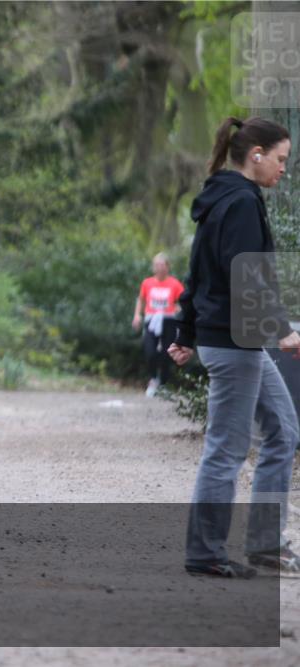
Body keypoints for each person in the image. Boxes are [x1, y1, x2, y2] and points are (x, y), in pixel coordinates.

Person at [169, 116, 300, 577]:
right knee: (226, 449)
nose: (284, 169)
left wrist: (185, 332)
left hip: (235, 341)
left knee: (283, 431)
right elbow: (247, 275)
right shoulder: (241, 201)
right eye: (281, 159)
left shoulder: (222, 197)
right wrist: (282, 328)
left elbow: (197, 272)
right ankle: (204, 554)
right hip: (234, 342)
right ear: (257, 154)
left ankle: (265, 544)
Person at [133, 253, 183, 396]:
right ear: (153, 267)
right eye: (157, 265)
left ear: (168, 267)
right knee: (150, 351)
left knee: (167, 353)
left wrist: (179, 308)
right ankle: (153, 379)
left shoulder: (174, 284)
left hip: (169, 320)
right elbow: (141, 299)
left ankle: (164, 383)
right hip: (151, 320)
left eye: (162, 265)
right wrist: (137, 315)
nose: (160, 268)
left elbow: (183, 301)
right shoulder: (147, 283)